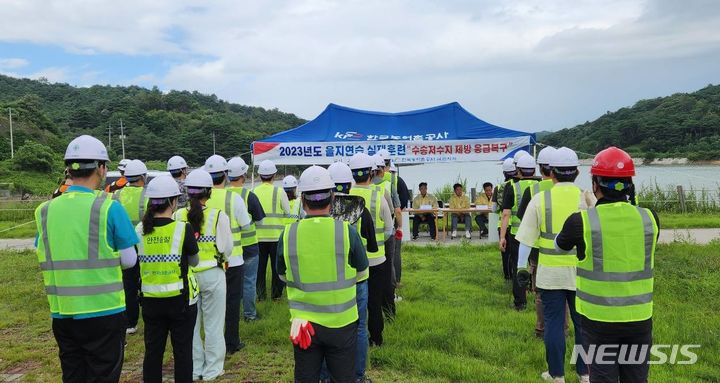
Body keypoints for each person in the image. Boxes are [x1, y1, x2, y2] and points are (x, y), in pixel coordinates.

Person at [35, 135, 138, 382]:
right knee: (103, 375)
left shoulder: (45, 210)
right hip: (104, 311)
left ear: (68, 168)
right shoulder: (109, 207)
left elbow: (42, 250)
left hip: (62, 312)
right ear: (101, 168)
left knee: (73, 374)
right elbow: (129, 260)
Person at [555, 147, 659, 383]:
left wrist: (588, 209)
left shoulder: (581, 221)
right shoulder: (650, 218)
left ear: (595, 185)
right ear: (630, 184)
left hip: (598, 319)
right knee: (636, 378)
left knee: (603, 378)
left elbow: (560, 246)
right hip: (639, 317)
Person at [276, 165, 369, 383]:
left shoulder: (288, 234)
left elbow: (282, 276)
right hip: (342, 323)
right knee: (343, 377)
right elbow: (362, 272)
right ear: (333, 197)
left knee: (306, 376)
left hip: (304, 325)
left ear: (302, 199)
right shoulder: (346, 231)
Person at [515, 148, 589, 383]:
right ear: (577, 172)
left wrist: (520, 268)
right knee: (583, 325)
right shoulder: (586, 198)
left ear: (551, 173)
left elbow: (526, 239)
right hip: (582, 273)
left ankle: (556, 374)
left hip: (549, 273)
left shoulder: (540, 199)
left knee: (554, 324)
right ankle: (585, 373)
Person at [136, 175, 200, 383]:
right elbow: (194, 262)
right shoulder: (183, 228)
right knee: (183, 353)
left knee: (153, 352)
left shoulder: (139, 230)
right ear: (173, 202)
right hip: (180, 302)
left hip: (150, 301)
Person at [174, 169, 233, 381]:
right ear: (209, 192)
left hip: (187, 277)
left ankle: (195, 368)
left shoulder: (178, 215)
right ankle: (213, 370)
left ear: (188, 192)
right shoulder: (218, 216)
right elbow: (227, 249)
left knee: (190, 326)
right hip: (213, 274)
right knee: (214, 325)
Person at [328, 160, 378, 383]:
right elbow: (373, 246)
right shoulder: (360, 210)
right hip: (357, 278)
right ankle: (357, 376)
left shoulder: (320, 212)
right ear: (349, 185)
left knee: (326, 326)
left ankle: (325, 375)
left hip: (328, 279)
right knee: (359, 328)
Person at [204, 154, 252, 355]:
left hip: (207, 261)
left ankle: (209, 343)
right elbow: (246, 224)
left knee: (208, 306)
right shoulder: (234, 198)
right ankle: (231, 342)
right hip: (233, 259)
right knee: (232, 303)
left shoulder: (201, 198)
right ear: (225, 175)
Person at [349, 153, 393, 346]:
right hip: (377, 259)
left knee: (354, 303)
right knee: (374, 303)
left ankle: (354, 339)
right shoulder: (378, 195)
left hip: (351, 261)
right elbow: (389, 228)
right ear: (370, 172)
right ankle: (376, 339)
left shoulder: (344, 196)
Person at [517, 146, 557, 338]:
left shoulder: (533, 190)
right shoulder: (576, 192)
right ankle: (564, 329)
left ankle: (541, 328)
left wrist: (520, 263)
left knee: (541, 292)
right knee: (567, 294)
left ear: (539, 168)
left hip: (538, 250)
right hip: (569, 253)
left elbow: (525, 223)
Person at [226, 157, 266, 322]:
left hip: (227, 248)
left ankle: (228, 314)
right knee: (249, 281)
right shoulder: (249, 195)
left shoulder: (221, 195)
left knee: (228, 283)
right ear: (243, 175)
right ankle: (249, 315)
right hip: (249, 246)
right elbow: (260, 220)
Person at [113, 159, 148, 335]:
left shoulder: (116, 195)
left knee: (129, 283)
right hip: (144, 245)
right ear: (143, 177)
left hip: (123, 246)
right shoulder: (147, 195)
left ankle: (130, 322)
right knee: (147, 280)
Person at [500, 153, 538, 310]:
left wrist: (502, 236)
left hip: (517, 234)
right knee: (536, 266)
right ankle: (538, 297)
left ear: (518, 170)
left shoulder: (512, 186)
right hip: (538, 234)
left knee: (519, 266)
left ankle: (520, 302)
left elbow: (506, 214)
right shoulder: (540, 185)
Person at [254, 159, 291, 301]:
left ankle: (260, 295)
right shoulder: (279, 191)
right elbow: (287, 212)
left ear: (259, 176)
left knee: (260, 269)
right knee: (277, 268)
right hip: (276, 236)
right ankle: (276, 296)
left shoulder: (254, 192)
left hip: (258, 237)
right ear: (274, 175)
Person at [370, 154, 400, 319]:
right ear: (382, 170)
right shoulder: (387, 187)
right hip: (384, 241)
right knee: (387, 275)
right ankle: (388, 313)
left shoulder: (354, 189)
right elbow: (393, 214)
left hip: (363, 243)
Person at [493, 158, 517, 280]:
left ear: (504, 173)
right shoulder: (519, 186)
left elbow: (494, 208)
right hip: (518, 224)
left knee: (505, 252)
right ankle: (519, 274)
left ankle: (507, 275)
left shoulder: (498, 187)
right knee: (517, 253)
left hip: (502, 224)